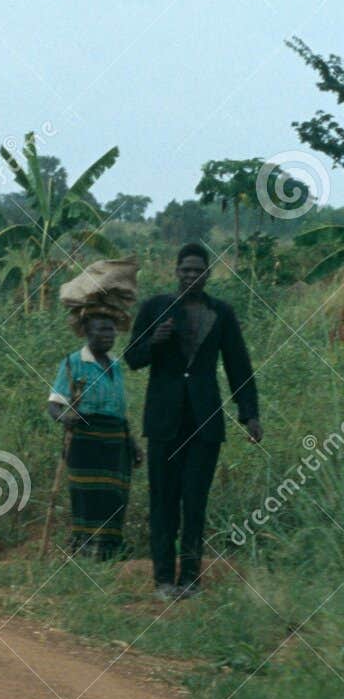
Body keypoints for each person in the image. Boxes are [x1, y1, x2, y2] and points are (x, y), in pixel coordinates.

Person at [123, 243, 261, 599]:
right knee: (163, 501)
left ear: (208, 274)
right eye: (185, 269)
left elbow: (238, 366)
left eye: (197, 270)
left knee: (195, 501)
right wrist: (154, 341)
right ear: (175, 271)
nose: (190, 275)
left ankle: (191, 580)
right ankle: (164, 579)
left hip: (205, 423)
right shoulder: (155, 308)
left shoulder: (222, 314)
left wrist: (250, 415)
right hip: (163, 422)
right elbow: (132, 358)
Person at [47, 312, 142, 559]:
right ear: (87, 333)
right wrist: (66, 418)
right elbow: (54, 405)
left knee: (115, 493)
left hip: (116, 438)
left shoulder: (115, 364)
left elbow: (119, 409)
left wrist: (131, 441)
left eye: (111, 330)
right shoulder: (73, 363)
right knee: (87, 494)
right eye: (101, 330)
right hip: (85, 437)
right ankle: (86, 549)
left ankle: (110, 547)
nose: (108, 335)